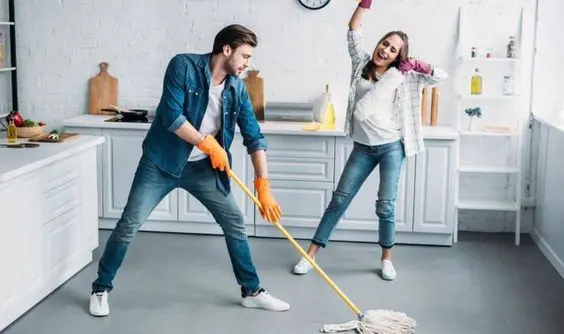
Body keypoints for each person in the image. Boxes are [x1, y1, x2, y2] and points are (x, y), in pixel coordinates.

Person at [89, 24, 290, 317]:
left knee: (234, 220)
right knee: (129, 224)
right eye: (245, 56)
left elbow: (254, 137)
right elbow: (171, 116)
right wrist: (208, 144)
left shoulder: (237, 89)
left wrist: (264, 184)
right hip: (161, 163)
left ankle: (252, 291)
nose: (248, 64)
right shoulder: (183, 65)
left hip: (203, 170)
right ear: (226, 50)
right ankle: (100, 288)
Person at [292, 0, 447, 280]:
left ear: (399, 56)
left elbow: (439, 77)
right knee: (339, 200)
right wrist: (365, 3)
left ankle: (387, 259)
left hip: (391, 147)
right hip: (362, 148)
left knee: (385, 204)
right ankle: (310, 255)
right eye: (384, 43)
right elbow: (353, 30)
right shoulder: (361, 63)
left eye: (393, 49)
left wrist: (420, 65)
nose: (385, 50)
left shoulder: (404, 76)